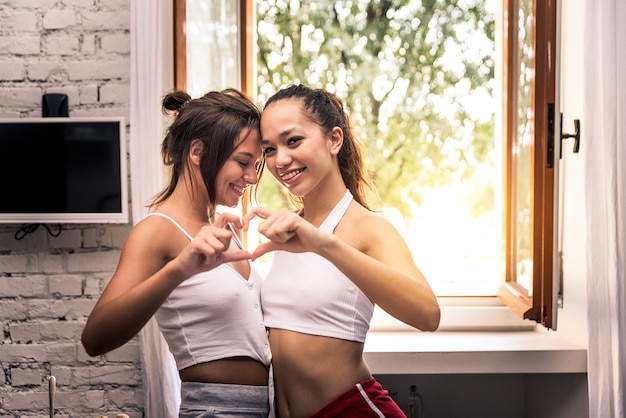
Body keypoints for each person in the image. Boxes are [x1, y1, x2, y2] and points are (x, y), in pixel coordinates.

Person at [244, 84, 441, 418]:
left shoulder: (368, 229)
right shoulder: (290, 229)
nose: (280, 160)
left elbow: (427, 315)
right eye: (269, 150)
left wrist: (323, 243)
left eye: (293, 141)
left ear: (334, 139)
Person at [81, 88, 272, 417]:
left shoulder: (222, 227)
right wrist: (179, 269)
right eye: (242, 162)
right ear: (197, 152)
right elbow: (94, 339)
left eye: (255, 165)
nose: (251, 177)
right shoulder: (157, 231)